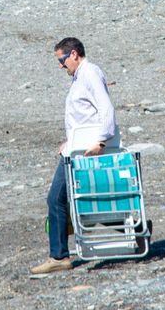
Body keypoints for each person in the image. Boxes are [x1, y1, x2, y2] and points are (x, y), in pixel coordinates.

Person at [31, 37, 119, 275]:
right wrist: (70, 141)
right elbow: (84, 116)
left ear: (74, 54)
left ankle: (59, 256)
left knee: (56, 199)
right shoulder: (80, 77)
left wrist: (101, 141)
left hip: (87, 149)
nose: (61, 66)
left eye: (62, 60)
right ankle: (135, 227)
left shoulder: (90, 74)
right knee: (85, 198)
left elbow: (106, 109)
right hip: (77, 147)